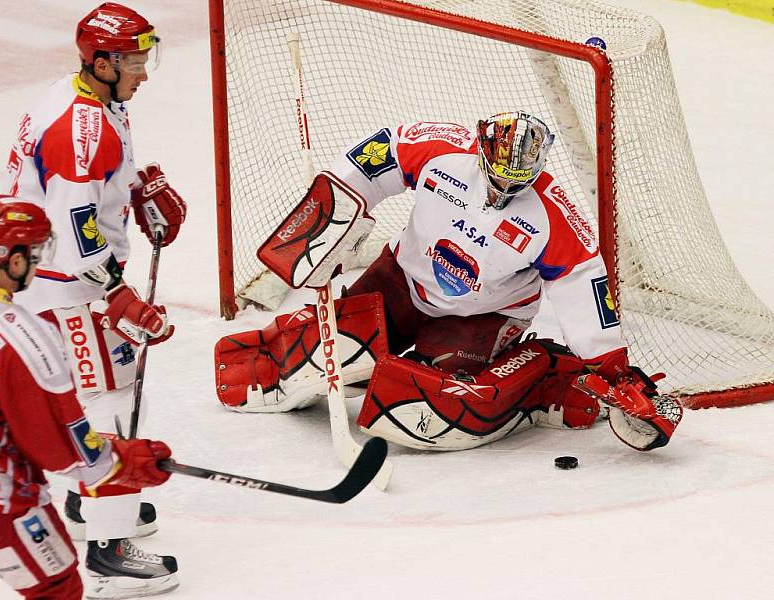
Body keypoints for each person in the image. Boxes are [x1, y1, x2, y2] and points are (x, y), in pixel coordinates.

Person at [216, 111, 683, 452]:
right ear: (482, 150)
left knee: (422, 397)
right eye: (498, 175)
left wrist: (615, 372)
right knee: (330, 347)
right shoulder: (444, 150)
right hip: (401, 281)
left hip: (483, 315)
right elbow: (380, 154)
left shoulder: (552, 215)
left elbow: (585, 285)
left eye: (517, 181)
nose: (504, 189)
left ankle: (541, 376)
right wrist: (335, 217)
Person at [2, 3, 187, 597]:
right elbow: (75, 229)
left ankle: (92, 505)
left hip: (60, 281)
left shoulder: (90, 99)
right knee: (108, 395)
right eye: (135, 59)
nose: (145, 71)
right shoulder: (82, 134)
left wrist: (138, 189)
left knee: (101, 390)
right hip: (69, 289)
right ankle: (109, 546)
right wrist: (121, 297)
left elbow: (101, 180)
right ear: (103, 61)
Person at [0, 195, 175, 600]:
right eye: (34, 253)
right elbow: (63, 449)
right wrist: (129, 460)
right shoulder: (25, 339)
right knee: (58, 588)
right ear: (13, 262)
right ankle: (108, 542)